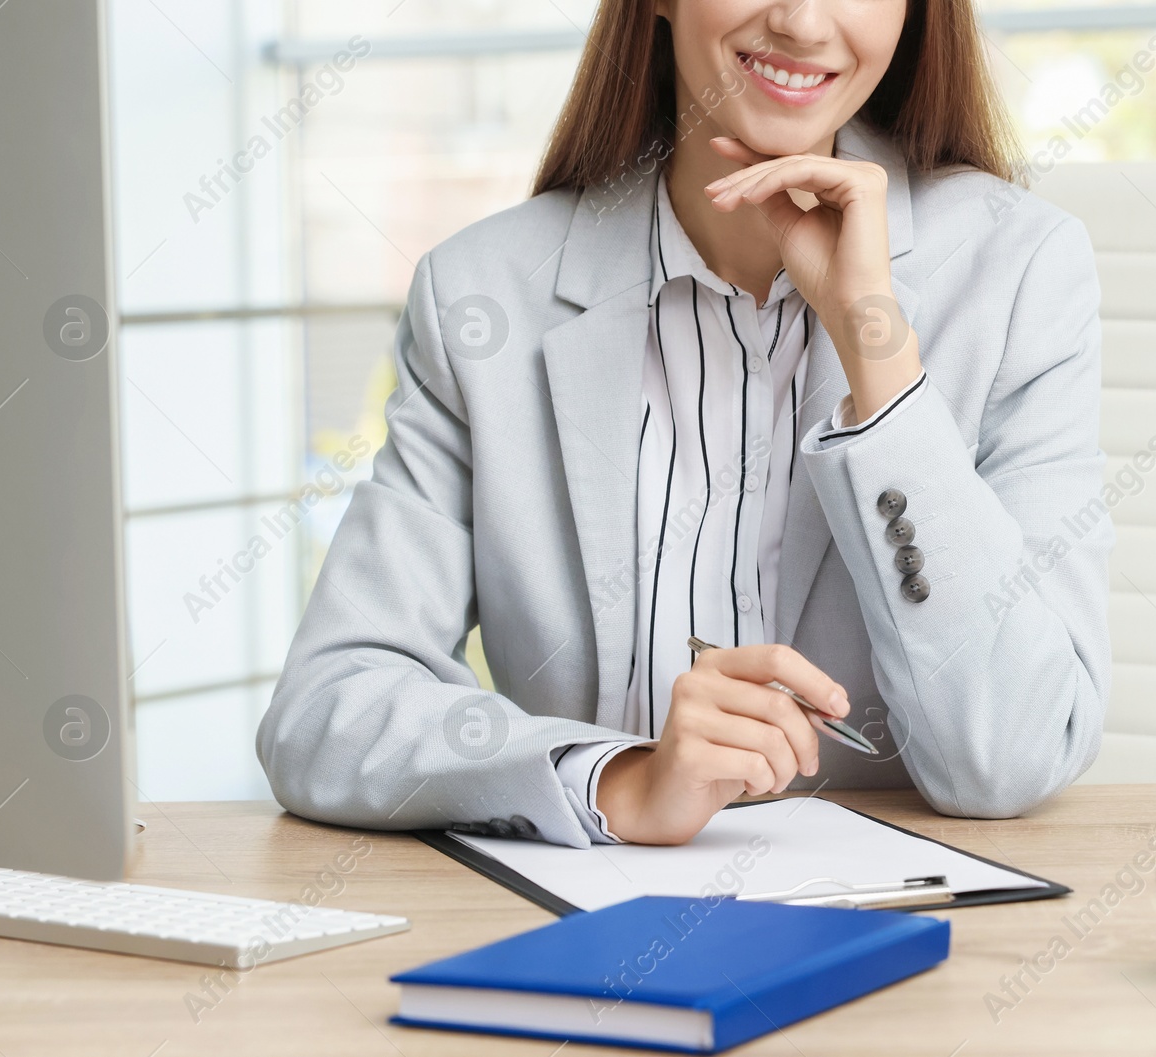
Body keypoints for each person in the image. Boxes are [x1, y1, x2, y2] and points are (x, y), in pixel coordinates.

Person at [257, 0, 1112, 847]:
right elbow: (328, 707)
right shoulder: (482, 295)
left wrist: (873, 344)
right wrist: (614, 780)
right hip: (583, 936)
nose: (805, 23)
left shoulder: (1019, 271)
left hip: (893, 937)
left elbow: (1013, 757)